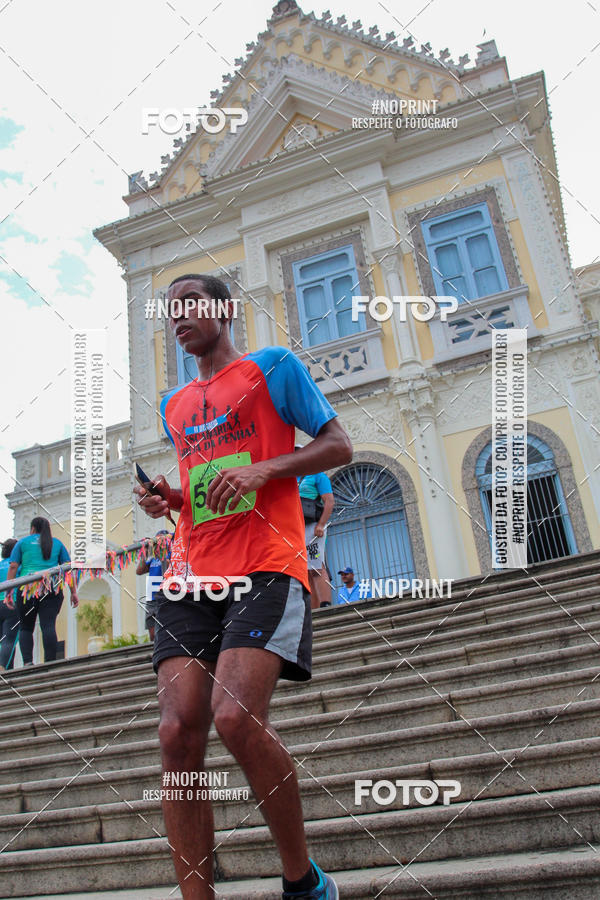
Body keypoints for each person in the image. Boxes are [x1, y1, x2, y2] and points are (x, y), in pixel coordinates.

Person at [135, 273, 351, 900]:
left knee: (233, 716)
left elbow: (339, 445)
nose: (178, 318)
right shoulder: (175, 405)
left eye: (191, 304)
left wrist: (266, 470)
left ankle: (303, 881)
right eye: (170, 310)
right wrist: (171, 499)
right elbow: (206, 492)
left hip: (265, 563)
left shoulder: (273, 367)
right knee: (176, 732)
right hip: (191, 571)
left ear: (226, 310)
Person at [4, 517, 78, 665]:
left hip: (27, 589)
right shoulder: (57, 543)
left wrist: (8, 592)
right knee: (48, 625)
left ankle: (28, 663)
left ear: (32, 528)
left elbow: (13, 567)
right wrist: (73, 592)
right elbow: (68, 569)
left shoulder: (22, 543)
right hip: (51, 588)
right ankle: (50, 662)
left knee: (26, 627)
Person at [297, 450, 335, 610]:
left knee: (316, 566)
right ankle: (313, 608)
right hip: (297, 528)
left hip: (313, 526)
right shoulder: (291, 478)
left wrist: (321, 524)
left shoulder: (318, 476)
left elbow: (329, 501)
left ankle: (325, 604)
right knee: (305, 570)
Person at [136, 529, 172, 641]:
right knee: (153, 634)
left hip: (165, 596)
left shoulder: (171, 553)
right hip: (151, 597)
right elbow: (139, 571)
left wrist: (162, 555)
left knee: (166, 628)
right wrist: (145, 553)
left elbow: (171, 567)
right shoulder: (152, 556)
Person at [0, 539, 19, 670]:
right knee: (9, 640)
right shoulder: (17, 565)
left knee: (2, 641)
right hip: (12, 603)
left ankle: (8, 669)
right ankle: (2, 668)